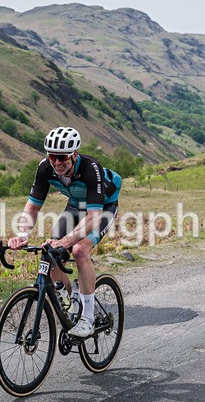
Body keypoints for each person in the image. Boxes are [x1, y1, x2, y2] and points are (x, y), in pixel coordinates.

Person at [7, 127, 121, 338]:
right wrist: (22, 235)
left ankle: (87, 318)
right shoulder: (45, 168)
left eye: (62, 157)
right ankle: (70, 298)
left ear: (74, 155)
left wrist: (67, 241)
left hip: (102, 207)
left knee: (79, 250)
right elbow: (32, 207)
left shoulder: (90, 168)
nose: (57, 162)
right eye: (52, 156)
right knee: (51, 250)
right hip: (76, 205)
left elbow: (93, 217)